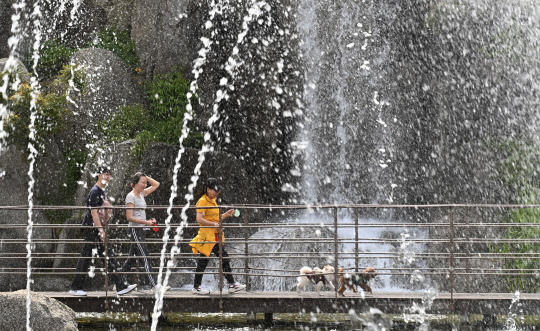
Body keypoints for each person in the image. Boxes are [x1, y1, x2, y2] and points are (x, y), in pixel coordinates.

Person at [69, 166, 137, 296]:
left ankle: (121, 285)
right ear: (99, 175)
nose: (108, 177)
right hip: (92, 228)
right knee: (88, 256)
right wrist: (101, 230)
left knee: (107, 255)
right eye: (106, 174)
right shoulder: (95, 191)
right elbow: (94, 212)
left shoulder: (101, 190)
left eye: (109, 175)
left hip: (96, 227)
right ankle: (75, 287)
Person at [189, 177, 246, 294]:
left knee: (222, 258)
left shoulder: (213, 201)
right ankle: (197, 287)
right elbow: (199, 219)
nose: (217, 193)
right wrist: (215, 224)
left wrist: (226, 214)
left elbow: (216, 219)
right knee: (206, 261)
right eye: (215, 190)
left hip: (214, 237)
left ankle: (231, 284)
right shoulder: (203, 201)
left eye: (218, 191)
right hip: (207, 237)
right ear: (208, 189)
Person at [121, 172, 166, 291]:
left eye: (145, 182)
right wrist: (146, 222)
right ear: (135, 183)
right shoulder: (130, 197)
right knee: (146, 257)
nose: (145, 184)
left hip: (141, 229)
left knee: (131, 259)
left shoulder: (142, 193)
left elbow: (156, 184)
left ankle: (118, 278)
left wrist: (145, 176)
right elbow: (129, 217)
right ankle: (155, 285)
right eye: (142, 182)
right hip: (135, 230)